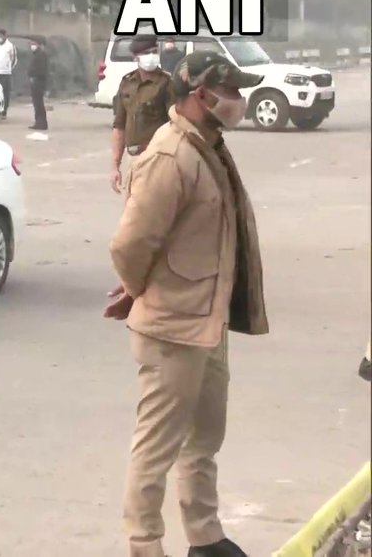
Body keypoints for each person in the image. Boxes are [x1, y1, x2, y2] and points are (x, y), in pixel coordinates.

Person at [106, 50, 268, 557]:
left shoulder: (209, 145)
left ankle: (205, 535)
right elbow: (130, 245)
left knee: (204, 439)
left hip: (207, 319)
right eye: (232, 91)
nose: (239, 101)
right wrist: (141, 291)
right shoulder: (169, 156)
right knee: (156, 451)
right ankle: (144, 546)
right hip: (173, 327)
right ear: (202, 95)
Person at [109, 35, 173, 194]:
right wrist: (115, 167)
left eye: (153, 51)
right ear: (135, 57)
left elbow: (176, 125)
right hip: (134, 158)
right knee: (132, 210)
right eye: (146, 53)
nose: (151, 56)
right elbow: (119, 127)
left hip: (158, 158)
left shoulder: (166, 83)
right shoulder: (127, 83)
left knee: (152, 213)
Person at [0, 29, 17, 117]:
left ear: (5, 36)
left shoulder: (10, 46)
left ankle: (4, 110)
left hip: (5, 73)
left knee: (5, 92)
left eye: (1, 36)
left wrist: (8, 68)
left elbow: (14, 59)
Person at [28, 38, 49, 131]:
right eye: (31, 44)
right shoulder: (36, 54)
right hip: (35, 80)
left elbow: (41, 69)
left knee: (38, 103)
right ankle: (39, 122)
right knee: (37, 103)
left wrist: (34, 77)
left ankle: (41, 123)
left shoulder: (41, 55)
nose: (32, 46)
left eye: (34, 44)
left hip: (38, 81)